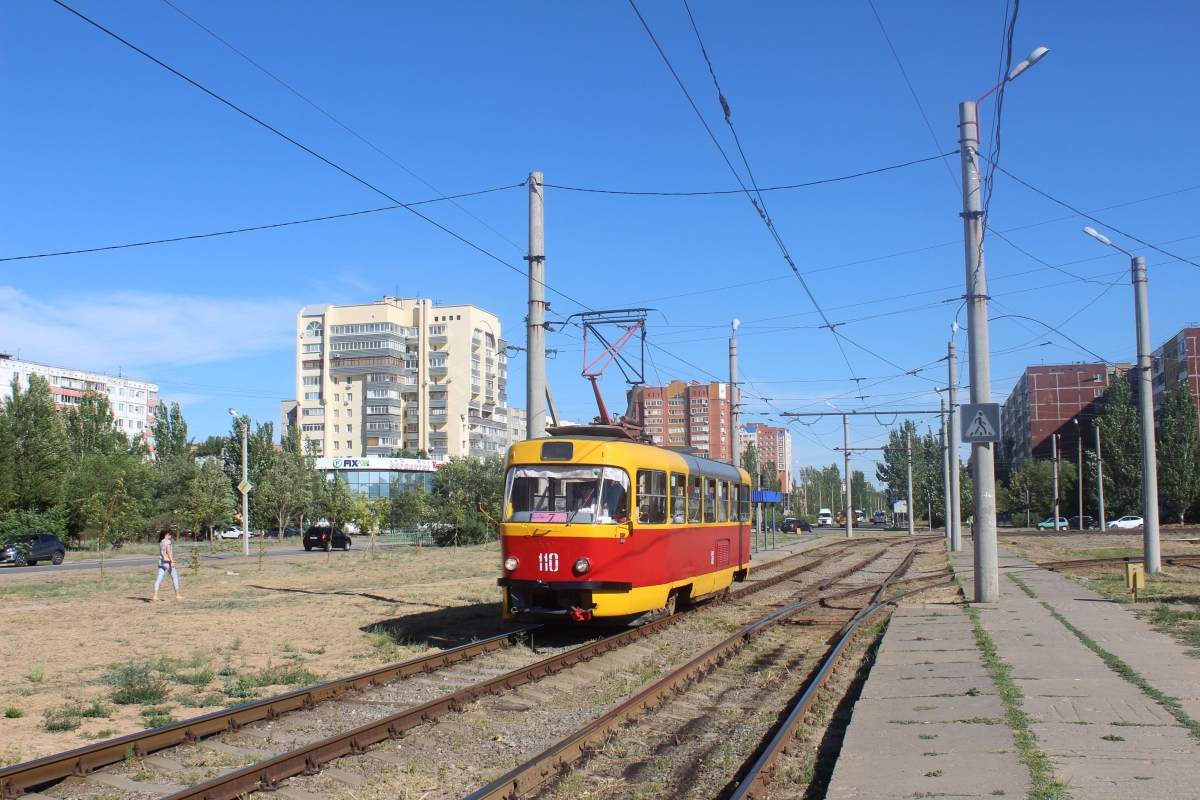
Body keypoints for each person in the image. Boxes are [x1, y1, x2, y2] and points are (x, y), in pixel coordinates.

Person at [152, 530, 184, 602]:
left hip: (161, 561)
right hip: (167, 562)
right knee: (175, 577)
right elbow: (169, 552)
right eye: (169, 534)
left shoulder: (161, 542)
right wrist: (172, 561)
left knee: (159, 578)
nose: (170, 536)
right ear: (166, 535)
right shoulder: (167, 542)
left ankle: (155, 595)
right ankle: (177, 595)